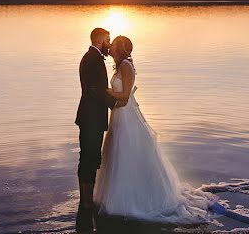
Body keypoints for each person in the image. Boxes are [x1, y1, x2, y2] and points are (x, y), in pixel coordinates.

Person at [93, 35, 213, 223]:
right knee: (116, 157)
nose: (111, 47)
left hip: (126, 117)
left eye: (114, 44)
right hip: (118, 116)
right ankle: (115, 198)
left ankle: (133, 202)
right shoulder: (119, 65)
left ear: (122, 49)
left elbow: (124, 96)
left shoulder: (126, 65)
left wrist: (104, 92)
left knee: (125, 155)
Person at [74, 27, 118, 232]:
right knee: (89, 158)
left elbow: (96, 88)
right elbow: (94, 89)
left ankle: (86, 202)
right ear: (100, 39)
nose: (109, 44)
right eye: (108, 40)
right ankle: (86, 203)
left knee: (90, 158)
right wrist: (115, 104)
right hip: (90, 118)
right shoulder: (93, 59)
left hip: (91, 117)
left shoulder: (93, 57)